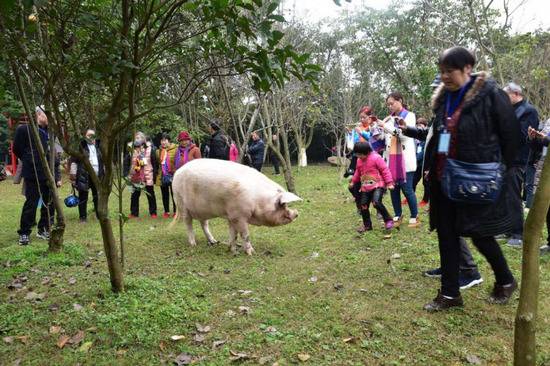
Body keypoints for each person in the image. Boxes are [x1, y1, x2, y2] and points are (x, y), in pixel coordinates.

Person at [419, 46, 519, 311]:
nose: (444, 77)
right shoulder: (443, 99)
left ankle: (506, 280)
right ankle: (450, 294)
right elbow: (441, 135)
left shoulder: (491, 96)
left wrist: (499, 172)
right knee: (447, 234)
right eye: (441, 72)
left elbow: (511, 138)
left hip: (478, 179)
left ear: (467, 68)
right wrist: (433, 165)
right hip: (445, 178)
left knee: (479, 233)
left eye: (449, 71)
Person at [400, 107, 483, 291]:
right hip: (441, 176)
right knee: (442, 225)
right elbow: (430, 136)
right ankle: (449, 266)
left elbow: (445, 142)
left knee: (450, 225)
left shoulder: (451, 113)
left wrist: (436, 166)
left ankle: (470, 271)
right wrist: (408, 129)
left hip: (448, 176)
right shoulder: (440, 114)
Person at [12, 106, 61, 245]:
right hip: (33, 172)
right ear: (38, 114)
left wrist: (57, 177)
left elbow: (57, 155)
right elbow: (17, 149)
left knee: (49, 204)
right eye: (47, 114)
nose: (50, 118)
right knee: (31, 203)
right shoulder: (24, 129)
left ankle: (43, 229)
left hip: (49, 174)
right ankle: (24, 233)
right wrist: (30, 158)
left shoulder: (52, 133)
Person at [503, 82, 540, 247]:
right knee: (505, 195)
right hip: (505, 159)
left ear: (515, 93)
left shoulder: (529, 110)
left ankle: (518, 233)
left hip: (518, 159)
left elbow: (524, 136)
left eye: (506, 95)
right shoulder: (510, 110)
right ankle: (507, 229)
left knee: (514, 196)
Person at [379, 92, 419, 228]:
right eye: (388, 104)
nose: (390, 106)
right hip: (391, 159)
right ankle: (397, 214)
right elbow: (386, 139)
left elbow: (405, 136)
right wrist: (379, 130)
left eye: (392, 103)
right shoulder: (388, 119)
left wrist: (386, 127)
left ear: (400, 101)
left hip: (405, 159)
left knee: (407, 189)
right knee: (393, 188)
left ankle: (414, 216)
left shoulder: (410, 116)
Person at [349, 142, 395, 235]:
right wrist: (353, 181)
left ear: (366, 152)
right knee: (363, 205)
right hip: (365, 187)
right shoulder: (359, 160)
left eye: (360, 154)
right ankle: (367, 226)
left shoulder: (376, 158)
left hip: (378, 185)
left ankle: (388, 220)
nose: (358, 156)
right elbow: (358, 172)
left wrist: (389, 183)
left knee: (376, 202)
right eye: (357, 154)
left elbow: (385, 170)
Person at [70, 128, 103, 222]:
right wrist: (73, 177)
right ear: (85, 136)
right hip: (84, 175)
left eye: (93, 135)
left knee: (97, 196)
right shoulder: (81, 146)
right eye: (89, 135)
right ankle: (83, 217)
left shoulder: (99, 146)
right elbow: (74, 161)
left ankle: (98, 215)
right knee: (83, 196)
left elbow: (103, 161)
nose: (91, 137)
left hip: (97, 176)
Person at [528, 121, 550, 254]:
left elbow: (547, 140)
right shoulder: (549, 121)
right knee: (548, 209)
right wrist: (533, 138)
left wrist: (546, 139)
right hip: (545, 170)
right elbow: (539, 147)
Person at [125, 131, 158, 219]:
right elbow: (126, 162)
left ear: (143, 139)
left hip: (147, 174)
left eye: (139, 137)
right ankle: (134, 213)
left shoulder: (150, 148)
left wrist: (155, 174)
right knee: (135, 195)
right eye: (136, 138)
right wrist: (126, 173)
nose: (138, 139)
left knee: (150, 194)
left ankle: (153, 212)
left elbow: (154, 162)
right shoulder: (130, 149)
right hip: (135, 175)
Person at [156, 133, 178, 218]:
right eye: (162, 140)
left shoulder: (176, 149)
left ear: (169, 141)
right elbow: (158, 163)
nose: (163, 142)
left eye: (165, 140)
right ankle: (166, 211)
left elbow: (178, 161)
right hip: (163, 175)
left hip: (173, 175)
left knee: (174, 194)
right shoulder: (158, 151)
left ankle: (176, 211)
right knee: (164, 194)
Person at [412, 118, 429, 207]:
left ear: (425, 126)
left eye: (421, 124)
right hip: (417, 164)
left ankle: (425, 200)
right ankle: (411, 197)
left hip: (425, 163)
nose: (419, 126)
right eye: (417, 124)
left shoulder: (427, 136)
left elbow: (423, 153)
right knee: (413, 180)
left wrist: (414, 159)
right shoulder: (416, 137)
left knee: (426, 183)